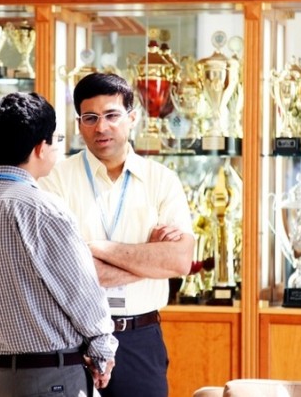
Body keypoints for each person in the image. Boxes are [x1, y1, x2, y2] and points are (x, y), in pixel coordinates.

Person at [0, 92, 117, 397]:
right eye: (54, 141)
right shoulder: (44, 209)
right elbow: (81, 292)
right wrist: (103, 350)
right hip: (49, 378)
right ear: (41, 147)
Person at [39, 73, 195, 397]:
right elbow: (57, 268)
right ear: (79, 123)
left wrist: (95, 248)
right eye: (91, 118)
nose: (101, 127)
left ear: (132, 118)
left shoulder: (161, 181)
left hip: (139, 339)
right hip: (71, 338)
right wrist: (147, 259)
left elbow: (179, 261)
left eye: (112, 115)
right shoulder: (55, 180)